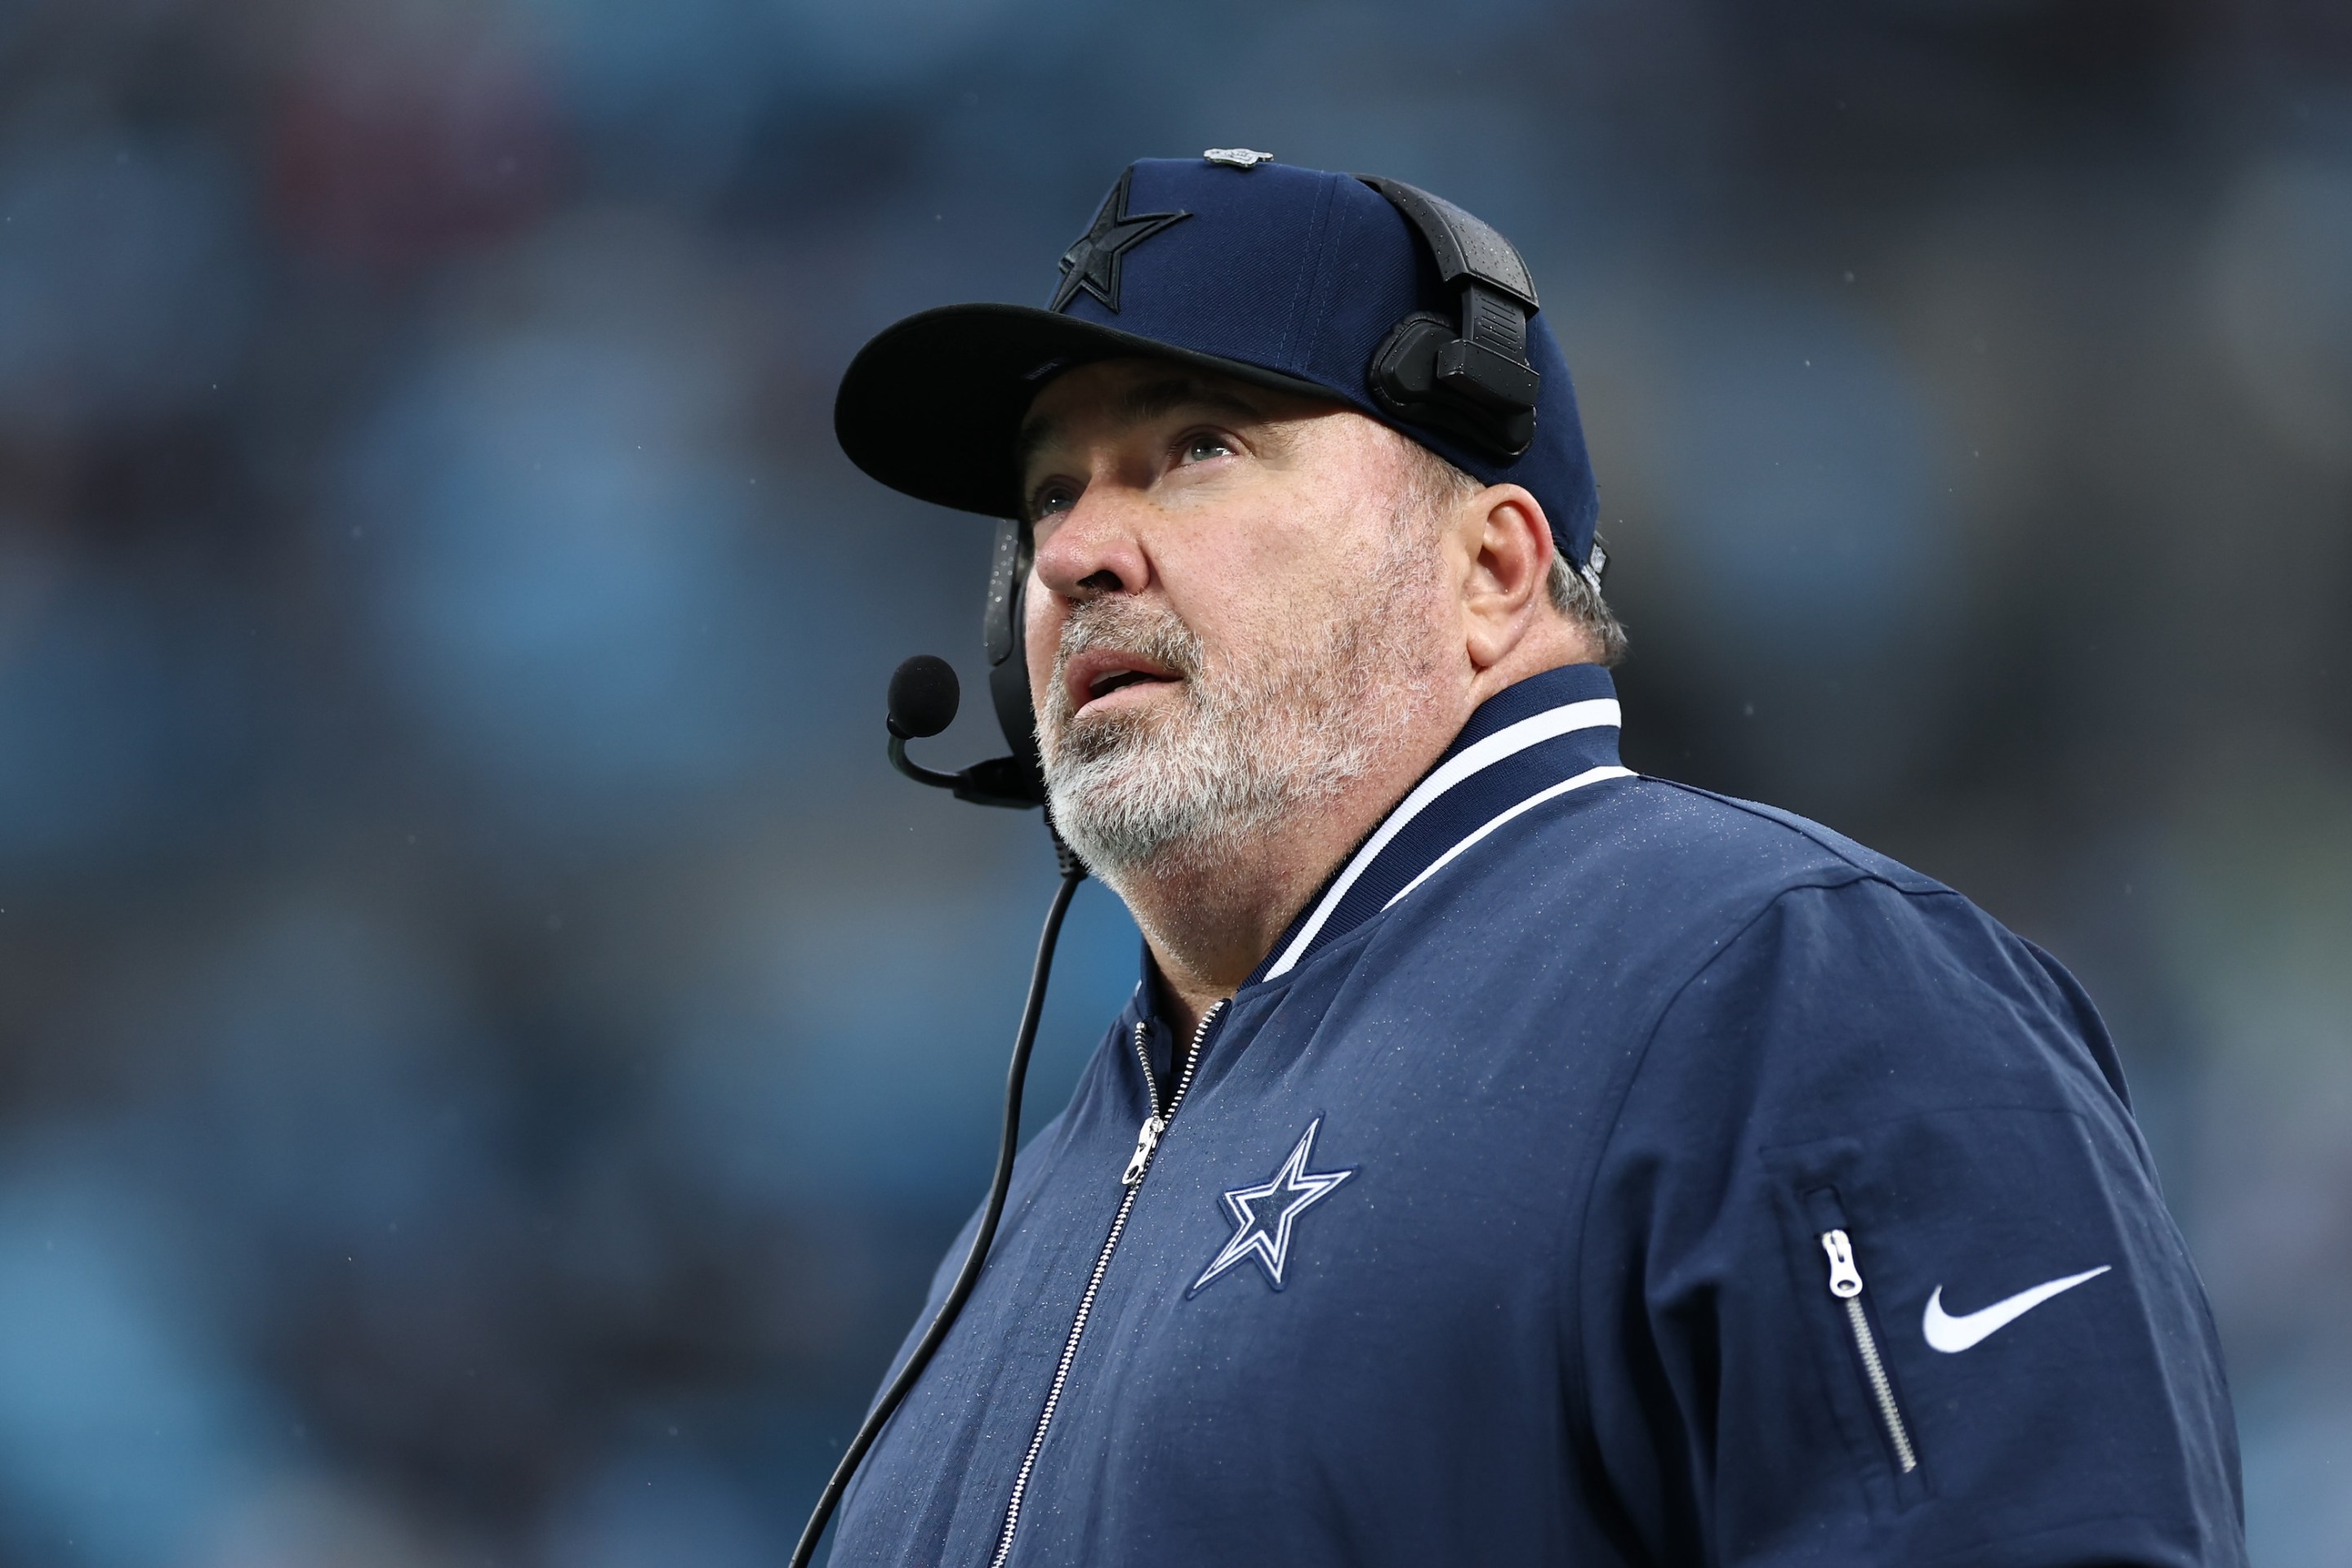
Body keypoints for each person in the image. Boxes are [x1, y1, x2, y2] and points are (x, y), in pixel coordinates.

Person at [823, 154, 2246, 1566]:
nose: (1077, 552)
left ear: (1494, 569)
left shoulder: (1792, 987)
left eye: (1198, 446)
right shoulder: (1008, 1236)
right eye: (1051, 493)